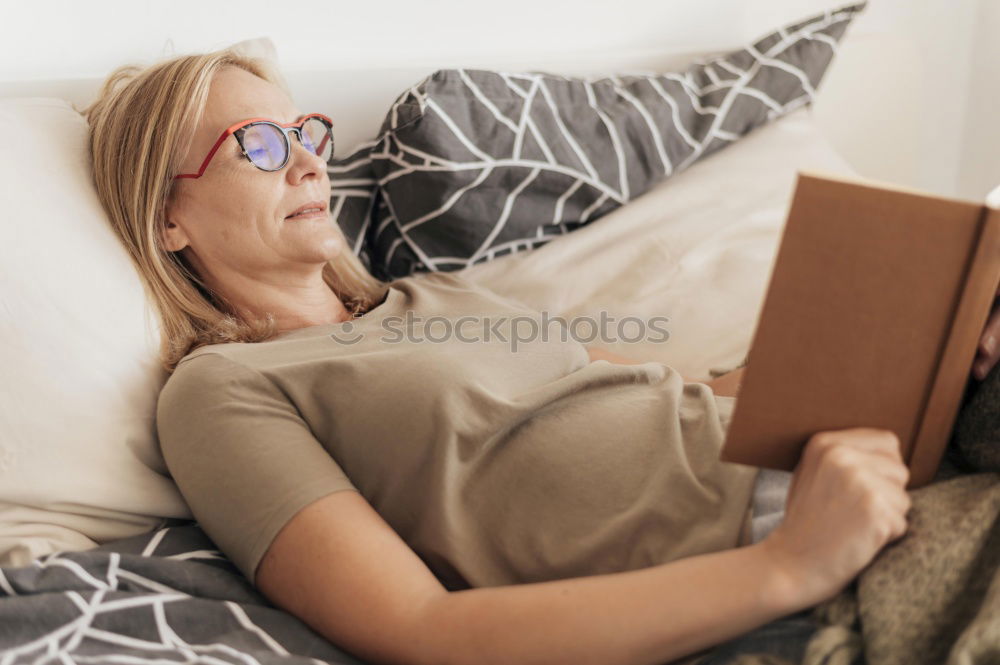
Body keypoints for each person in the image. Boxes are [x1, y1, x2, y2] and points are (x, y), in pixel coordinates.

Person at [82, 47, 995, 665]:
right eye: (259, 145)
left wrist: (930, 341)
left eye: (307, 135)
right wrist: (791, 564)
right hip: (772, 551)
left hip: (851, 459)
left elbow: (682, 399)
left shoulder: (439, 295)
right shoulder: (224, 390)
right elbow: (419, 629)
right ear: (168, 217)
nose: (309, 164)